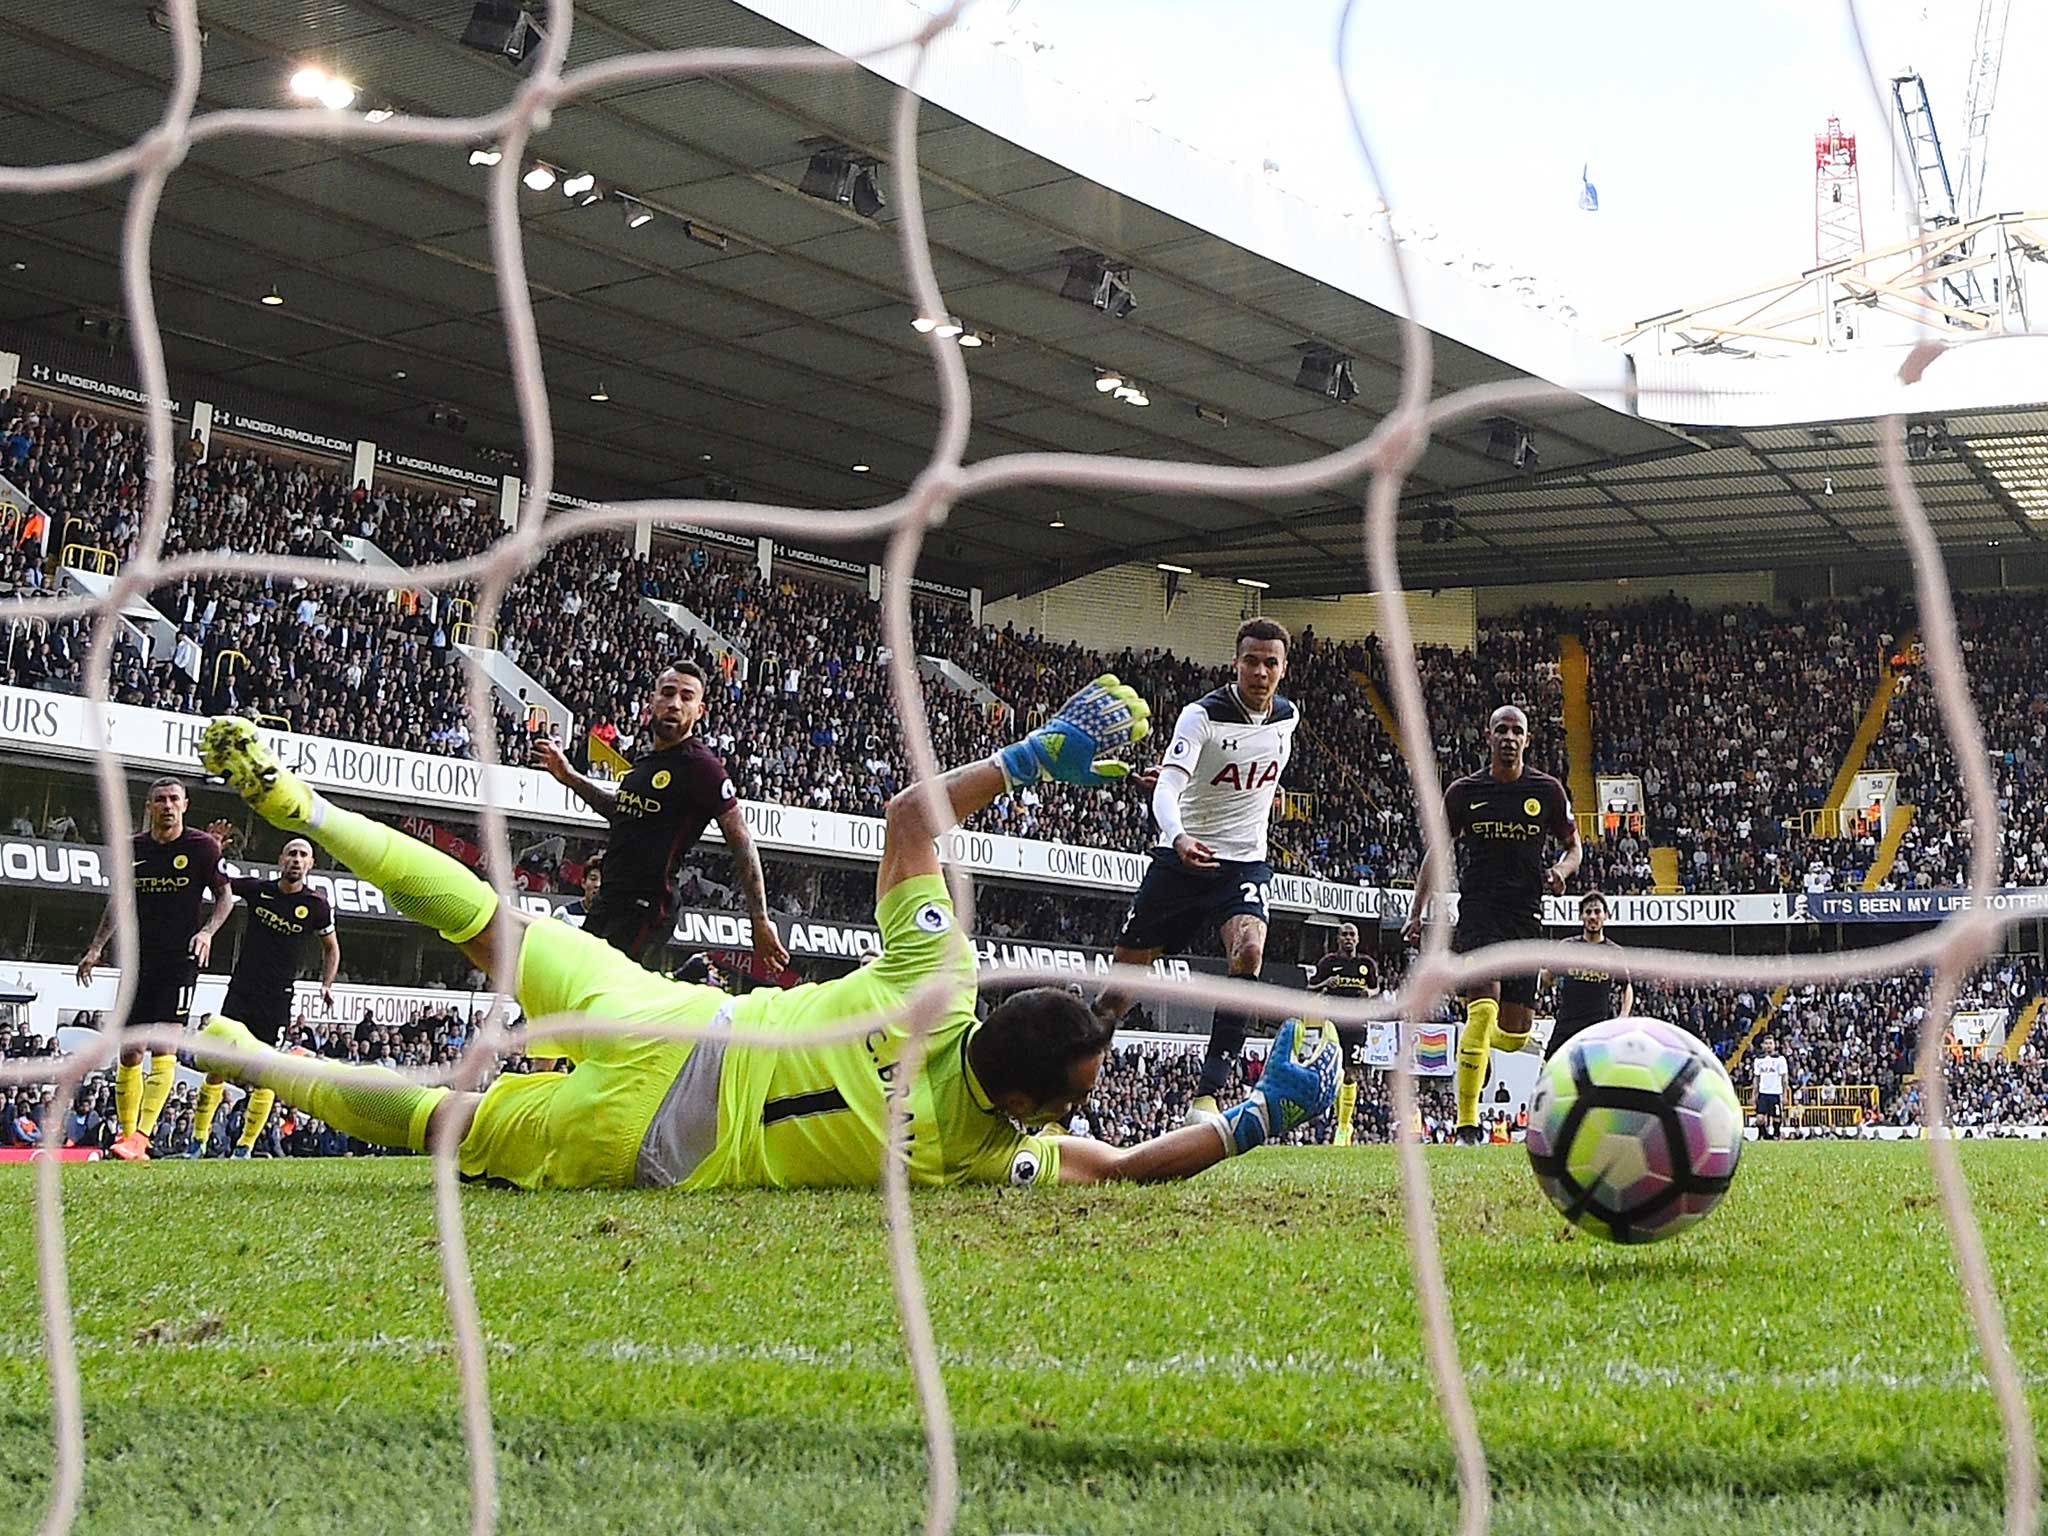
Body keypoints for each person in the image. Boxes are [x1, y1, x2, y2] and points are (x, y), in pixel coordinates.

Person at [193, 680, 1338, 1190]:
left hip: (683, 1016)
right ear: (1034, 1105)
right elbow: (1127, 1165)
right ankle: (237, 1058)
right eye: (1072, 1094)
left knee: (493, 923)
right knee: (444, 1123)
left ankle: (308, 808)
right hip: (653, 1141)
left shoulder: (937, 979)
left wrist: (1035, 755)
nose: (1074, 1107)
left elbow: (906, 818)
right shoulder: (971, 1158)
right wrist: (1260, 1117)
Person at [1096, 619, 1298, 1122]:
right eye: (1251, 660)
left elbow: (1245, 776)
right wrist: (1179, 833)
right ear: (1236, 662)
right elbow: (1169, 788)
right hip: (1181, 864)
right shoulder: (1200, 716)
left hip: (1243, 864)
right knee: (1116, 994)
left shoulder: (1288, 718)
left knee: (1249, 950)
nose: (1260, 671)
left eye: (1270, 662)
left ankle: (1207, 1097)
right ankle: (1062, 1088)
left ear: (1283, 668)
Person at [536, 662, 789, 977]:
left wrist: (760, 919)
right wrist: (569, 776)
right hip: (609, 901)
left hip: (645, 908)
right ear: (651, 702)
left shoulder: (702, 768)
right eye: (668, 694)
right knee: (577, 992)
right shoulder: (646, 764)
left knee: (599, 999)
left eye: (687, 697)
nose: (675, 704)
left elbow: (741, 841)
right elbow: (621, 812)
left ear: (700, 710)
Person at [1404, 705, 1580, 1146]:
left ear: (1527, 739)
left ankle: (1475, 1052)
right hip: (1480, 911)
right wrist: (1415, 910)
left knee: (1515, 1035)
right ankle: (1467, 1125)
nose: (1508, 736)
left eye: (1515, 730)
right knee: (1482, 1006)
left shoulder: (1548, 790)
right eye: (1500, 728)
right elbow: (1437, 851)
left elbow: (1574, 848)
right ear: (1488, 736)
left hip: (1526, 916)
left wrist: (1562, 871)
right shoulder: (1465, 792)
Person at [75, 777, 233, 1161]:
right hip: (136, 961)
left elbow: (225, 897)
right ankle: (128, 1139)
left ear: (185, 804)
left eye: (173, 799)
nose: (167, 805)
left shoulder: (202, 847)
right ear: (149, 806)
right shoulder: (134, 849)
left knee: (164, 1045)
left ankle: (141, 1136)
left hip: (179, 960)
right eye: (160, 799)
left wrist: (208, 932)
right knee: (129, 1052)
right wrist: (96, 947)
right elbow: (119, 903)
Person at [184, 836, 341, 1159]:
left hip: (277, 997)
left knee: (266, 1071)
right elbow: (221, 882)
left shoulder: (316, 905)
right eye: (291, 853)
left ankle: (245, 1146)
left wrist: (326, 984)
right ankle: (197, 1141)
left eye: (303, 855)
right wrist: (214, 848)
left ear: (310, 864)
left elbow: (332, 948)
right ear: (281, 859)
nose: (296, 860)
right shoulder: (258, 890)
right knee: (217, 1065)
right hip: (242, 988)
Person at [1536, 889, 1633, 1060]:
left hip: (1597, 1032)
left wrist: (1623, 1016)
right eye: (1588, 912)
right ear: (1581, 916)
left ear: (1606, 916)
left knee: (1592, 1082)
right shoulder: (1567, 946)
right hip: (1566, 1027)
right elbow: (1548, 978)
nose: (1593, 916)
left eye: (1597, 912)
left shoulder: (1614, 952)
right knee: (1548, 1077)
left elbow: (1627, 987)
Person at [1307, 921, 1380, 1146]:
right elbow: (1310, 988)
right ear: (1338, 938)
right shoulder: (1328, 963)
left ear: (1357, 939)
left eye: (1352, 935)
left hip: (1357, 1023)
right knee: (1336, 1074)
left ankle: (1343, 1128)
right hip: (1333, 1024)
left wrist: (1370, 992)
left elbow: (1377, 988)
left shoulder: (1366, 964)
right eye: (1344, 935)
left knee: (1351, 1074)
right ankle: (1340, 1122)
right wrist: (1325, 983)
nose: (1348, 938)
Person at [1751, 1036, 1789, 1140]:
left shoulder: (1780, 1059)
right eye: (1766, 1043)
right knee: (1759, 1118)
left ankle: (1776, 1135)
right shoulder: (1758, 1060)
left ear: (1774, 1045)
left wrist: (1785, 1094)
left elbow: (1784, 1078)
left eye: (1770, 1043)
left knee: (1776, 1117)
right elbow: (1756, 1078)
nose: (1768, 1046)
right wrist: (1754, 1095)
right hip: (1763, 1093)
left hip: (1775, 1093)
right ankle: (1764, 1135)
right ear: (1763, 1045)